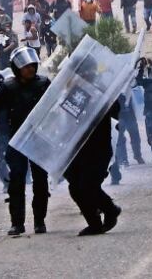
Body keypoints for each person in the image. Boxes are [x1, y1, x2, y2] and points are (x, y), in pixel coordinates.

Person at [0, 47, 51, 236]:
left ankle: (39, 221)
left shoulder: (44, 83)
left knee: (41, 182)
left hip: (39, 139)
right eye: (26, 66)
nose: (30, 69)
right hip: (17, 140)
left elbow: (56, 106)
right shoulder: (9, 87)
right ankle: (17, 223)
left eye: (32, 65)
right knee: (16, 182)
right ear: (17, 68)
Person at [63, 96, 121, 236]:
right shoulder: (71, 94)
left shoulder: (103, 94)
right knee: (75, 188)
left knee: (88, 186)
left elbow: (115, 110)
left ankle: (110, 209)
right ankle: (94, 224)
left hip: (98, 148)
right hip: (76, 148)